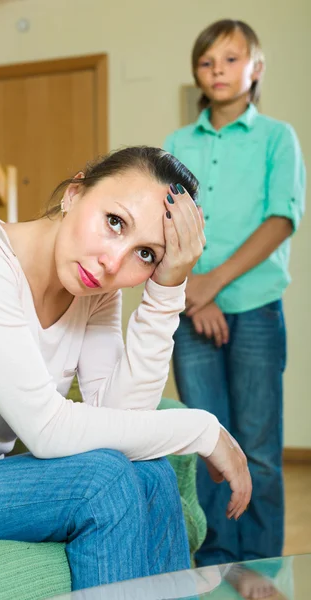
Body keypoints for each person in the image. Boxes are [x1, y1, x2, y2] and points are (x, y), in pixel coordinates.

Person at [0, 147, 251, 591]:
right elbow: (47, 429)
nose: (113, 262)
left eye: (146, 254)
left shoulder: (94, 290)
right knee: (103, 482)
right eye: (114, 222)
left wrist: (168, 289)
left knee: (150, 472)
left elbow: (124, 420)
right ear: (74, 193)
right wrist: (203, 430)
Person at [164, 20, 306, 569]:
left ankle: (262, 566)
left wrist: (213, 285)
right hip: (194, 310)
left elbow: (281, 220)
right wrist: (198, 297)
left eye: (230, 59)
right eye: (207, 62)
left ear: (256, 69)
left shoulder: (278, 137)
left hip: (256, 310)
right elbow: (171, 224)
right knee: (206, 445)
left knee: (260, 450)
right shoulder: (176, 144)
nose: (217, 70)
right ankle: (217, 563)